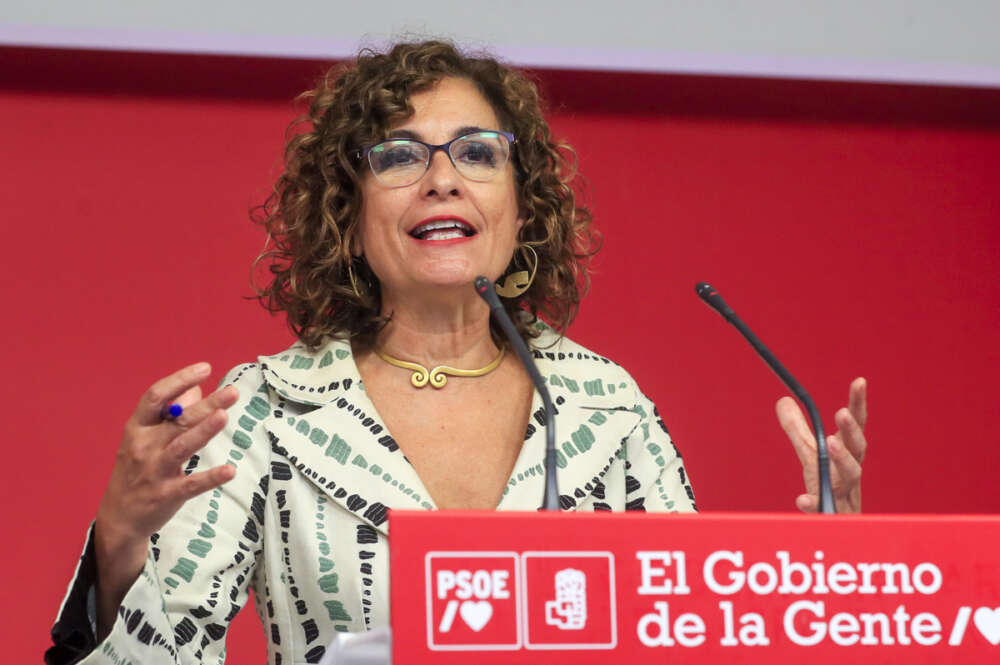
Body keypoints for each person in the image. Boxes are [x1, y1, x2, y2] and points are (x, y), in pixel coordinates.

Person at [46, 40, 867, 665]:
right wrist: (121, 541)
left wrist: (831, 576)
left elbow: (686, 640)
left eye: (477, 152)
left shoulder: (605, 405)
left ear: (519, 207)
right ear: (349, 215)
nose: (442, 178)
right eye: (400, 156)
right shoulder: (263, 407)